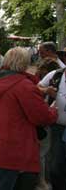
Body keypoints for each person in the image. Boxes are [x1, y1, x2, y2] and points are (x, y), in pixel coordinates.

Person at [0, 47, 58, 190]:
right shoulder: (24, 86)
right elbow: (42, 117)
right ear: (25, 64)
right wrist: (54, 110)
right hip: (9, 150)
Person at [37, 59, 66, 190]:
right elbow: (37, 87)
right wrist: (46, 91)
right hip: (56, 127)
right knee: (55, 163)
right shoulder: (56, 74)